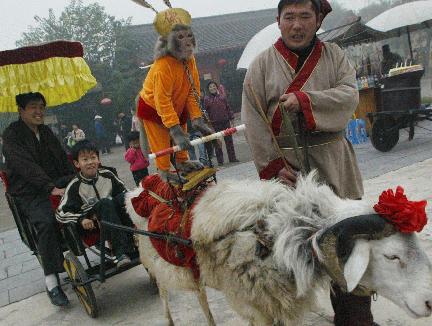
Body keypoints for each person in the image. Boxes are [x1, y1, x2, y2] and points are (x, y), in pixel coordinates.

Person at [241, 1, 376, 326]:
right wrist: (272, 167)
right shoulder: (260, 67)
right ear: (279, 21)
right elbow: (254, 121)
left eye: (305, 16)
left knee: (350, 243)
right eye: (290, 17)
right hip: (289, 173)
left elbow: (349, 95)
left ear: (318, 20)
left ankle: (356, 318)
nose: (297, 25)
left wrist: (306, 101)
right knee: (298, 251)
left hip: (334, 162)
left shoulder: (334, 57)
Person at [2, 92, 75, 306]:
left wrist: (76, 178)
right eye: (33, 107)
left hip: (54, 183)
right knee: (45, 222)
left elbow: (62, 158)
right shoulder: (11, 135)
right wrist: (49, 187)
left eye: (41, 106)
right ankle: (52, 281)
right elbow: (25, 167)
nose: (39, 111)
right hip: (29, 191)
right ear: (21, 111)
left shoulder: (46, 132)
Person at [136, 5, 213, 182]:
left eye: (189, 36)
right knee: (162, 142)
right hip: (153, 107)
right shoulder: (163, 65)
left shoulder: (190, 60)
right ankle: (163, 171)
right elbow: (161, 100)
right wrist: (175, 131)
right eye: (180, 37)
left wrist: (197, 118)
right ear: (169, 42)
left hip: (177, 105)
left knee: (183, 141)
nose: (187, 41)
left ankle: (182, 162)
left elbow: (193, 91)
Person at [56, 140, 135, 266]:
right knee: (104, 203)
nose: (90, 162)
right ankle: (120, 253)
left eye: (93, 158)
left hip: (113, 215)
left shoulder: (108, 175)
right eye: (85, 159)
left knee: (125, 196)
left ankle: (136, 241)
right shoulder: (74, 185)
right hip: (92, 221)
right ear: (77, 163)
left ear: (98, 159)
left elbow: (124, 192)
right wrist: (81, 219)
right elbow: (61, 212)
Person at [204, 81, 239, 165]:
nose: (213, 88)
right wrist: (208, 125)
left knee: (229, 141)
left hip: (225, 122)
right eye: (210, 87)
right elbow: (205, 113)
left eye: (214, 86)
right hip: (215, 124)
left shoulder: (222, 97)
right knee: (217, 143)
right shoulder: (206, 99)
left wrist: (232, 120)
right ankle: (220, 161)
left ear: (217, 87)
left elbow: (228, 109)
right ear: (208, 89)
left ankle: (232, 158)